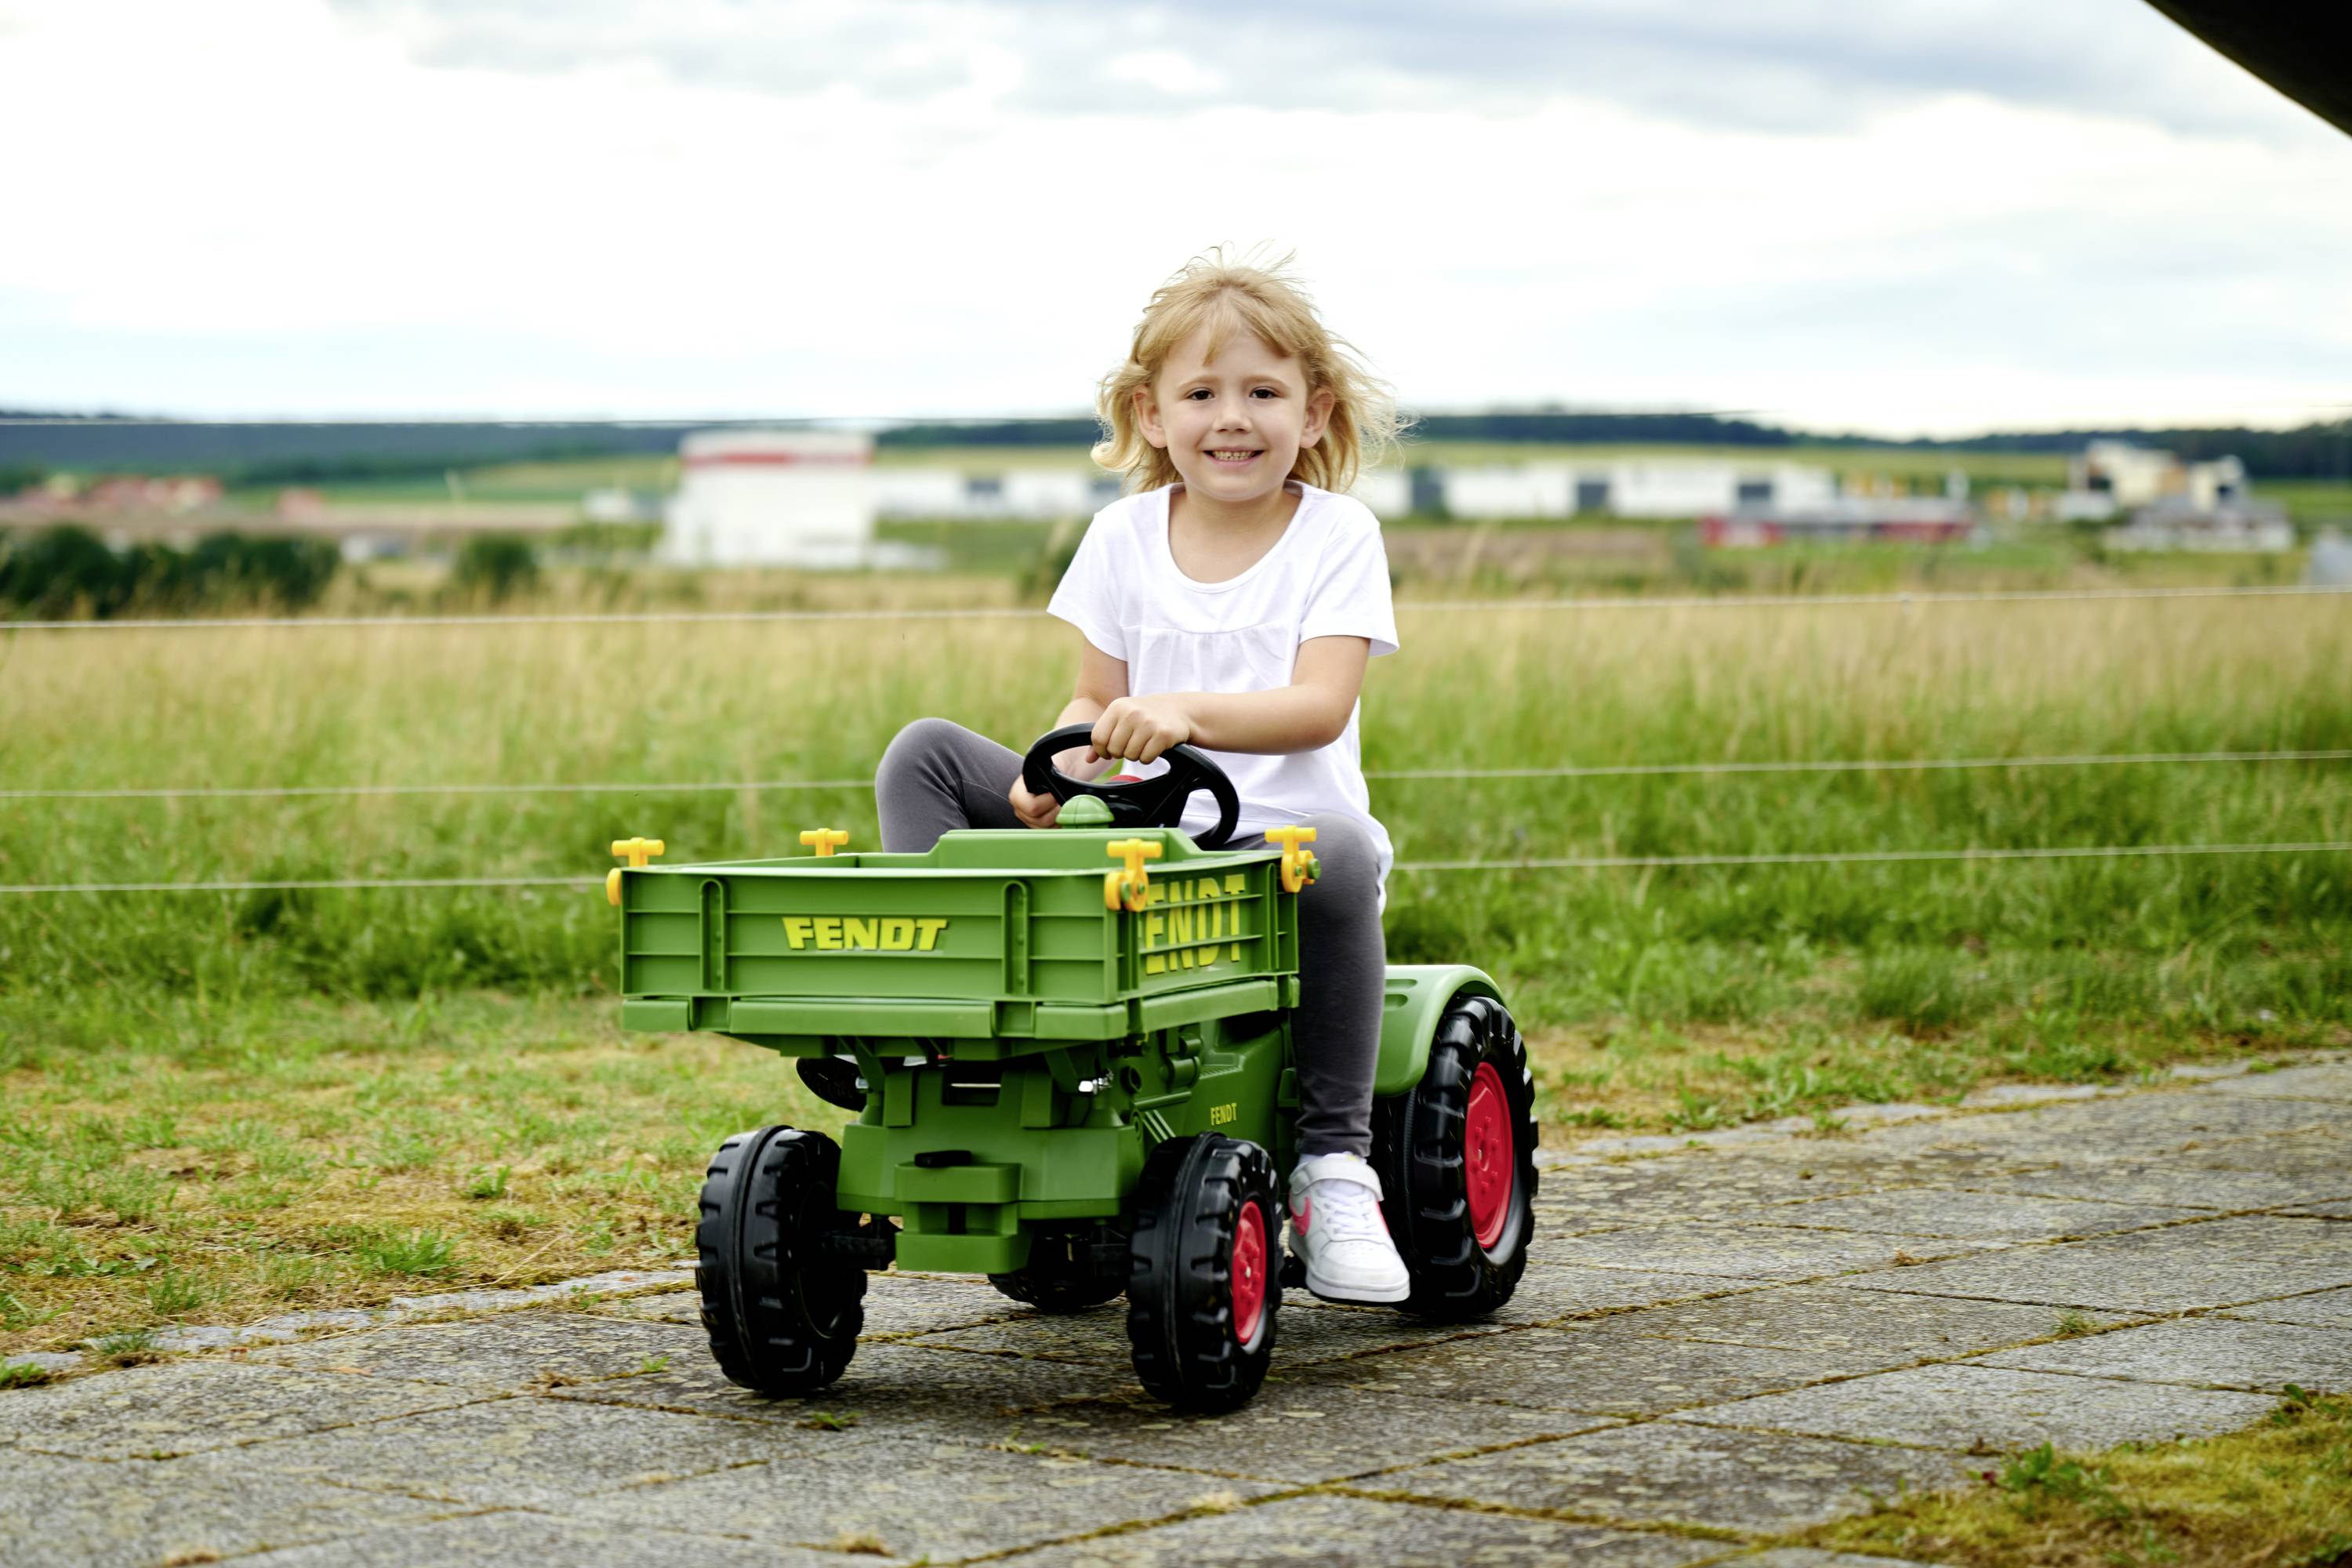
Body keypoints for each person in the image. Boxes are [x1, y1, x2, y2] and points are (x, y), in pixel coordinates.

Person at [874, 250, 1407, 1305]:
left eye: (1262, 392)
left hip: (1273, 851)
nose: (1233, 419)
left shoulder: (1336, 536)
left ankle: (1335, 1166)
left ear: (1313, 413)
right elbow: (1090, 698)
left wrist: (1185, 713)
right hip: (1130, 839)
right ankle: (941, 1032)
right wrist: (1062, 765)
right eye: (1202, 393)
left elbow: (1321, 706)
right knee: (925, 751)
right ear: (1151, 415)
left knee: (1341, 847)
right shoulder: (1123, 536)